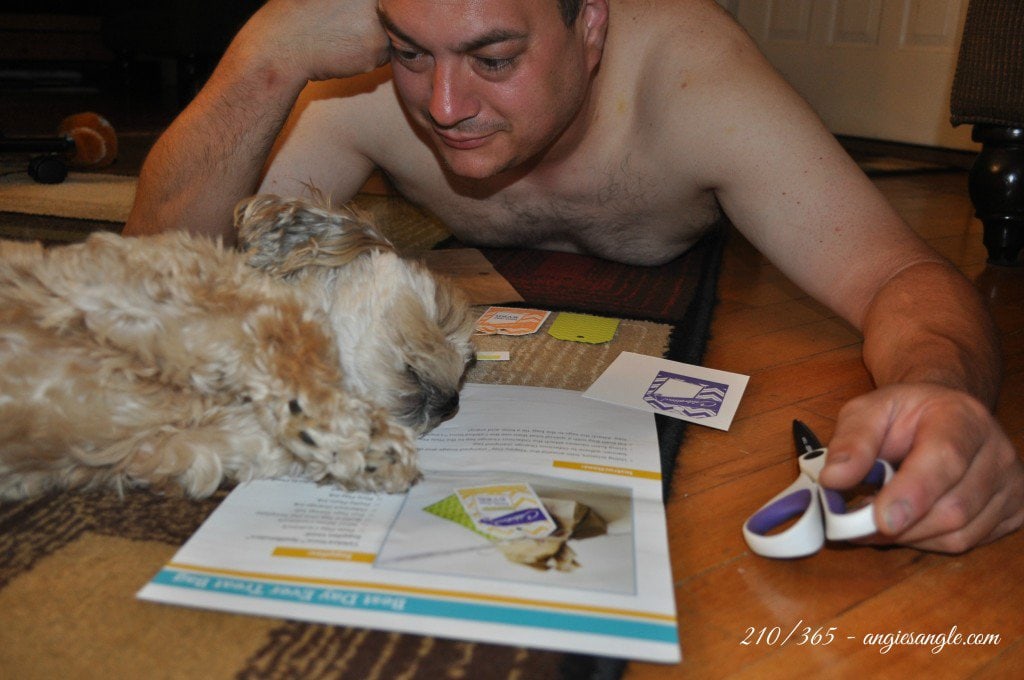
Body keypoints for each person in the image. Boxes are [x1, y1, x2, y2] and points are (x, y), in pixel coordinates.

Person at [124, 0, 1023, 553]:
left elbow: (900, 273)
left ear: (590, 26)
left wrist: (940, 391)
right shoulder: (359, 86)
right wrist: (267, 54)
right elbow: (157, 277)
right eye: (409, 52)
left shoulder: (697, 77)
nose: (445, 105)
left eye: (494, 58)